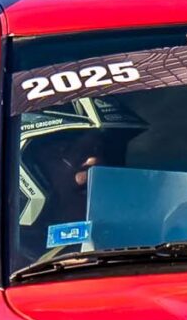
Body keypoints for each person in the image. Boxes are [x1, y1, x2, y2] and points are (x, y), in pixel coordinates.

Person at [15, 97, 146, 259]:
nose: (95, 161)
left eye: (101, 149)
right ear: (27, 166)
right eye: (65, 149)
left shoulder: (150, 244)